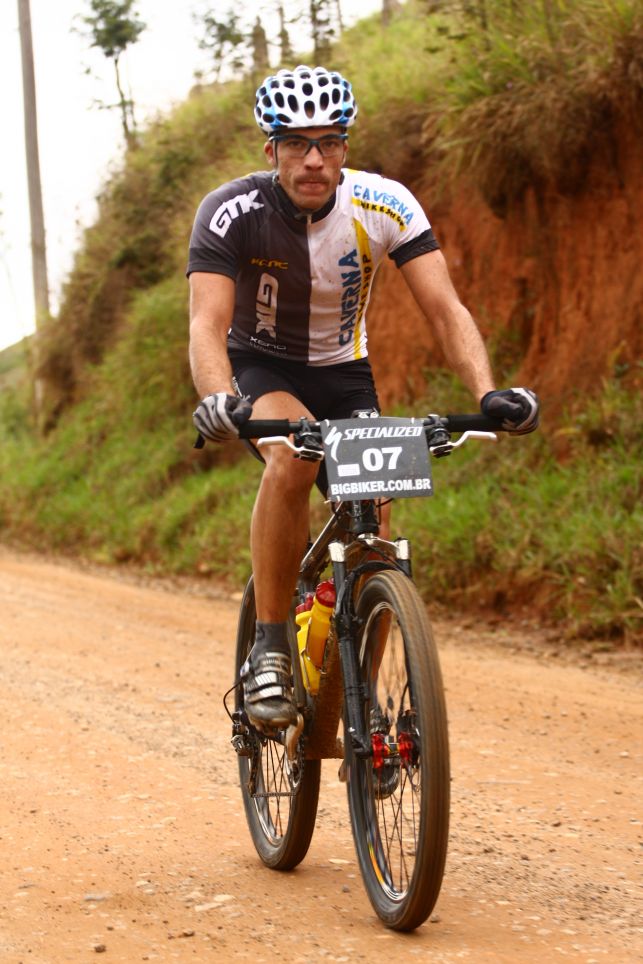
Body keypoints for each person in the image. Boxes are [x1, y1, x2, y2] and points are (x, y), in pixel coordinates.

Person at [187, 65, 539, 731]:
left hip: (345, 373)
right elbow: (206, 322)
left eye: (328, 142)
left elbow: (444, 309)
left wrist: (488, 393)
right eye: (296, 143)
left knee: (372, 516)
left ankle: (362, 694)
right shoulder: (231, 211)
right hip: (259, 368)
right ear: (271, 152)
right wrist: (219, 397)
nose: (313, 159)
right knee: (292, 458)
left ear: (346, 147)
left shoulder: (386, 204)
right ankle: (268, 649)